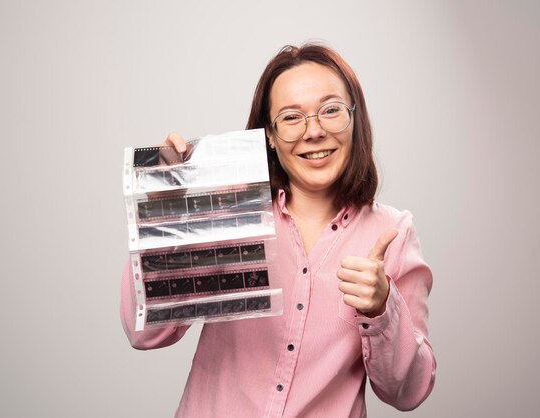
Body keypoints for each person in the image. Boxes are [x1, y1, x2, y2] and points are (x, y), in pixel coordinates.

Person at [121, 43, 436, 417]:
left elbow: (408, 392)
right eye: (291, 117)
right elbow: (144, 335)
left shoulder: (393, 233)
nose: (314, 131)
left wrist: (384, 308)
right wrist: (168, 211)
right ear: (269, 135)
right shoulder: (228, 211)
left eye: (331, 110)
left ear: (355, 120)